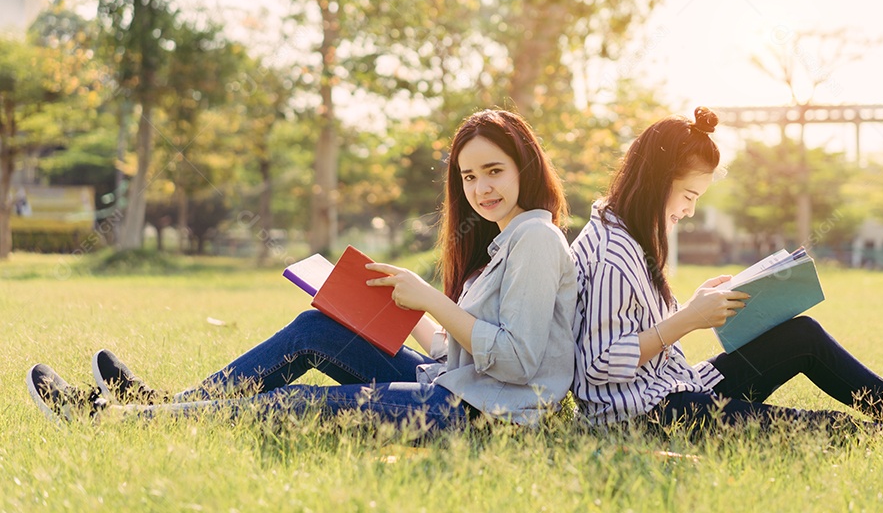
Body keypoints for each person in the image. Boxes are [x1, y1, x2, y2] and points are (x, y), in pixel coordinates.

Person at [27, 109, 577, 430]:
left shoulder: (535, 237)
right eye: (468, 176)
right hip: (455, 385)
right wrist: (398, 306)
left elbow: (519, 362)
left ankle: (117, 420)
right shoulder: (505, 242)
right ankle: (163, 404)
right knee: (316, 329)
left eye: (494, 171)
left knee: (291, 405)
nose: (481, 188)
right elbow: (463, 349)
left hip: (480, 412)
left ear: (524, 167)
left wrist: (432, 301)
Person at [571, 106, 883, 437]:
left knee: (802, 336)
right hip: (653, 419)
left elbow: (628, 334)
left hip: (681, 391)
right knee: (830, 430)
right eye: (687, 197)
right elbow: (595, 365)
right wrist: (688, 320)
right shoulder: (615, 251)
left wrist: (692, 306)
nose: (689, 212)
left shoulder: (629, 239)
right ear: (658, 182)